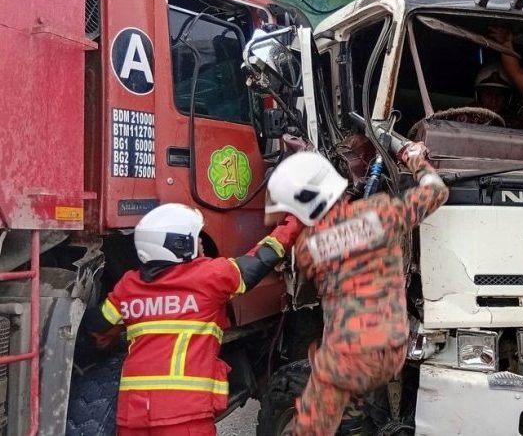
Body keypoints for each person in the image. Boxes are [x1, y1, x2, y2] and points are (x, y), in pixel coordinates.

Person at [265, 141, 448, 436]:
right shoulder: (379, 213)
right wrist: (416, 161)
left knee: (311, 427)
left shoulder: (308, 248)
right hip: (391, 353)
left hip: (345, 361)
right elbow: (436, 192)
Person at [83, 203, 304, 436]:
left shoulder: (128, 286)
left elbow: (96, 326)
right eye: (195, 237)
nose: (200, 243)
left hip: (133, 417)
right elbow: (261, 259)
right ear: (180, 245)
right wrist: (296, 221)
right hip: (183, 415)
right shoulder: (208, 277)